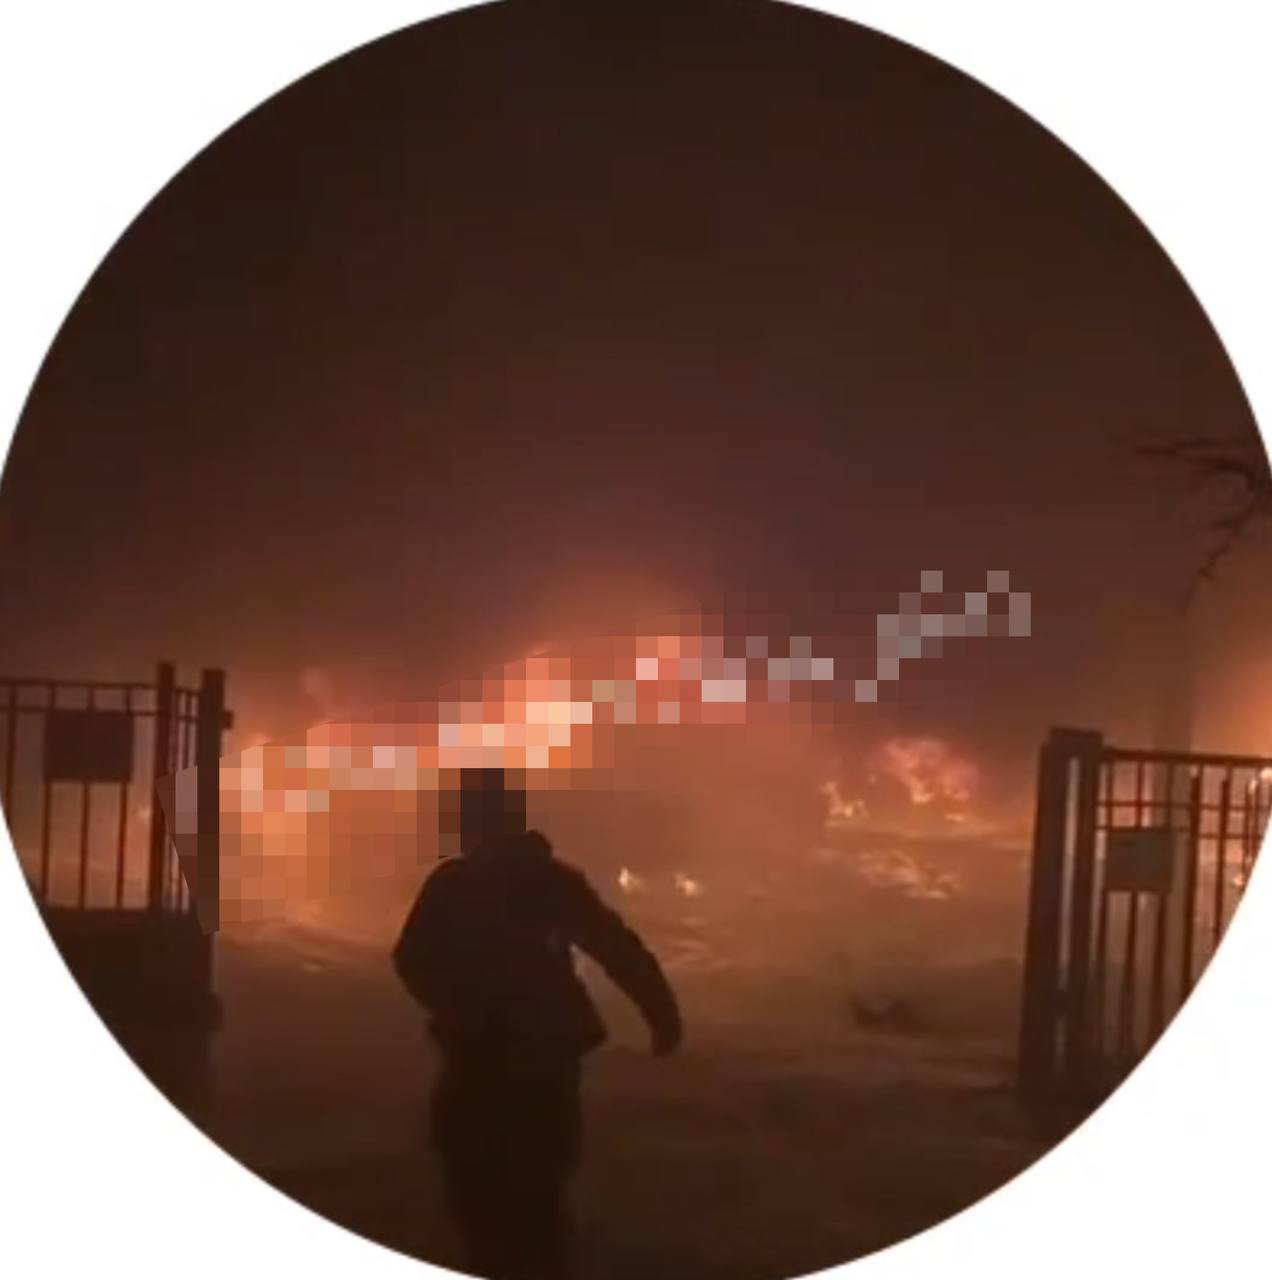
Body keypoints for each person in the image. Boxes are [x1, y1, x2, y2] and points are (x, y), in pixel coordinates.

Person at [393, 768, 682, 1280]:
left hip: (488, 1063)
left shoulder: (457, 885)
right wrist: (660, 1013)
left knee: (490, 1199)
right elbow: (616, 947)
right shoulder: (547, 881)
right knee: (531, 1197)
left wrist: (460, 1007)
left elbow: (412, 959)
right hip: (532, 1060)